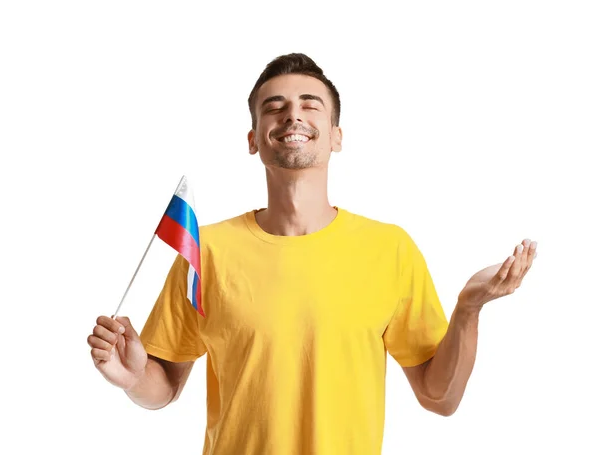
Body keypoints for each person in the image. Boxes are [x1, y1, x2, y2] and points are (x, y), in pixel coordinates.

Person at [88, 53, 537, 455]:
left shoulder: (390, 249)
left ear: (336, 136)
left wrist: (468, 308)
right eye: (275, 107)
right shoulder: (206, 251)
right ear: (253, 139)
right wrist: (132, 378)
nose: (292, 116)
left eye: (309, 104)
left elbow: (440, 398)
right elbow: (162, 387)